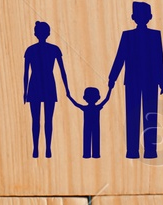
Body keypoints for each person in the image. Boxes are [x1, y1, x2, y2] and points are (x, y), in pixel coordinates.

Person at [108, 1, 163, 159]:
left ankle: (148, 150)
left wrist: (162, 79)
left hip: (149, 80)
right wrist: (112, 77)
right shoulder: (128, 36)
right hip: (136, 80)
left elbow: (158, 58)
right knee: (134, 115)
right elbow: (120, 57)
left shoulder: (154, 35)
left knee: (149, 115)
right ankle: (133, 150)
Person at [22, 21, 69, 158]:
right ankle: (45, 149)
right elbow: (62, 72)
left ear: (36, 33)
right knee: (47, 119)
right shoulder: (53, 49)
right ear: (48, 33)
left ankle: (38, 148)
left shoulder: (31, 50)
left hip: (37, 85)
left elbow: (26, 73)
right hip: (46, 84)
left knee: (36, 120)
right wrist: (67, 89)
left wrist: (25, 91)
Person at [67, 86, 107, 159]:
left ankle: (87, 154)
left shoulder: (87, 108)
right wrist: (110, 89)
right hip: (94, 126)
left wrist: (69, 96)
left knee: (88, 138)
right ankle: (95, 154)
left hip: (88, 126)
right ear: (98, 97)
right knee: (95, 138)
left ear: (84, 97)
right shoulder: (96, 108)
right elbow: (106, 99)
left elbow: (76, 104)